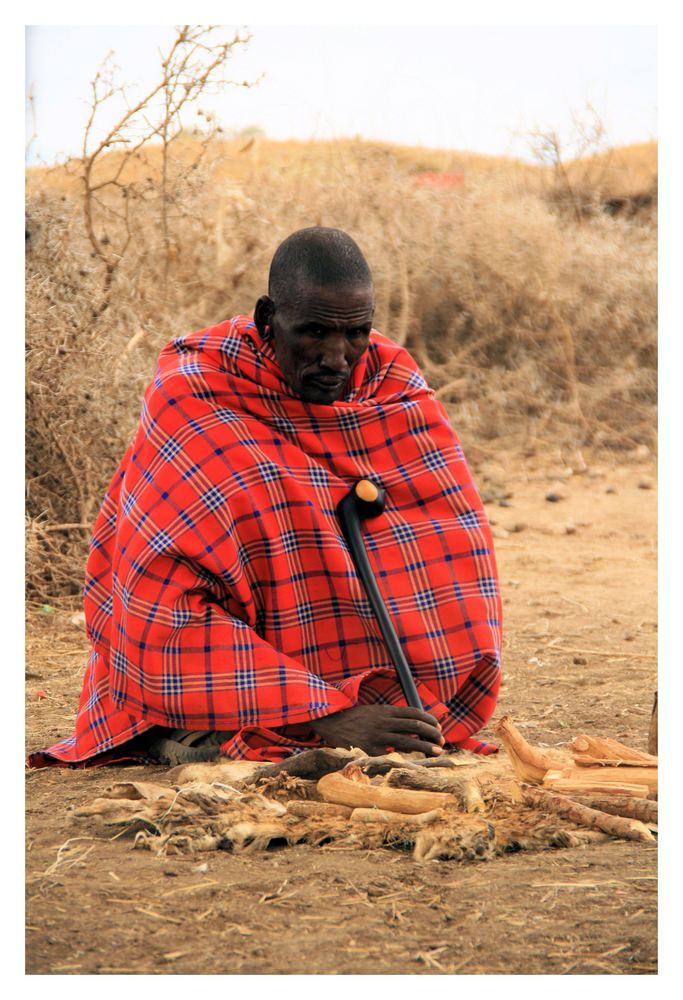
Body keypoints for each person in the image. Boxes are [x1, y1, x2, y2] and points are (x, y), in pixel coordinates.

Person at [28, 227, 502, 769]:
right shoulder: (195, 395)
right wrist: (327, 717)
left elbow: (454, 549)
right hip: (208, 685)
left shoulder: (391, 386)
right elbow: (157, 604)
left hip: (356, 673)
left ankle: (355, 714)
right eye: (314, 332)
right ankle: (279, 727)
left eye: (355, 333)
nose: (336, 357)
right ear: (266, 319)